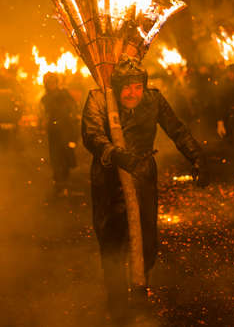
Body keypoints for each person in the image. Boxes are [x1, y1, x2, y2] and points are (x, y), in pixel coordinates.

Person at [81, 55, 208, 324]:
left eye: (137, 86)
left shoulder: (153, 99)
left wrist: (197, 157)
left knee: (147, 238)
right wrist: (116, 155)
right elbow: (92, 135)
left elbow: (177, 129)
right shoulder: (100, 98)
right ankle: (117, 305)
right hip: (109, 177)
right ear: (116, 86)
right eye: (126, 87)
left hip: (142, 174)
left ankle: (140, 291)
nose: (132, 93)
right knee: (113, 240)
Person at [39, 72, 79, 198]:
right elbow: (44, 115)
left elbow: (73, 108)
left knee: (67, 157)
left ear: (56, 83)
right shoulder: (45, 98)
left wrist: (74, 123)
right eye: (49, 83)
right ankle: (59, 186)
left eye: (53, 82)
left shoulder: (64, 94)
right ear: (46, 84)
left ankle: (65, 185)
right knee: (56, 159)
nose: (51, 85)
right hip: (54, 133)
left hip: (66, 131)